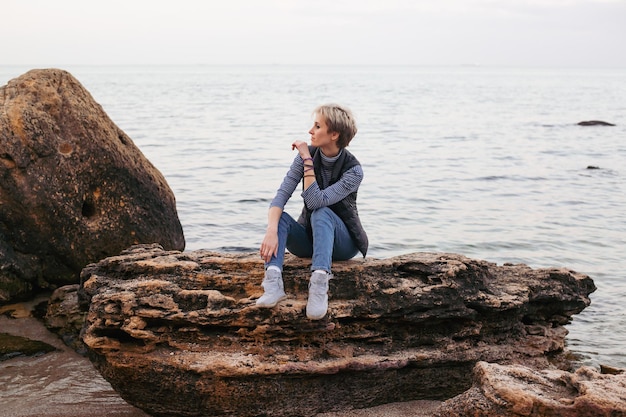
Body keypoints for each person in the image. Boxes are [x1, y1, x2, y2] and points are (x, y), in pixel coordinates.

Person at [257, 103, 368, 320]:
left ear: (334, 134)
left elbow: (316, 201)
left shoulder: (354, 171)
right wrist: (271, 230)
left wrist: (308, 160)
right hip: (310, 240)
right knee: (280, 219)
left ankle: (318, 285)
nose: (310, 131)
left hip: (342, 245)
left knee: (322, 212)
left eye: (317, 126)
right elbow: (281, 196)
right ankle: (273, 283)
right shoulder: (306, 155)